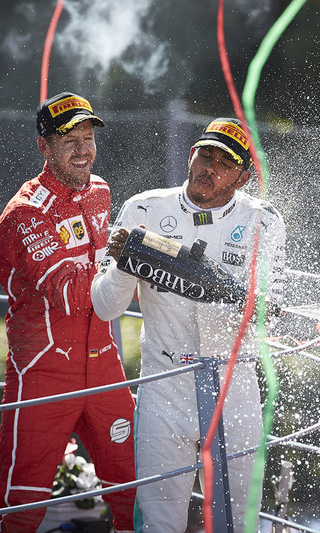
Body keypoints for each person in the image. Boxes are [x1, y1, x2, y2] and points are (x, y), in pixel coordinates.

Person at [91, 117, 286, 531]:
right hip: (163, 384)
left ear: (243, 178)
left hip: (234, 386)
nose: (209, 168)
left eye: (224, 164)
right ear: (191, 154)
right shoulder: (143, 208)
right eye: (205, 155)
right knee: (159, 524)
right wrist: (127, 261)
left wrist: (260, 302)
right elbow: (106, 308)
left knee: (239, 524)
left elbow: (268, 306)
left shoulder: (263, 221)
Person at [0, 92, 136, 532]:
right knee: (22, 506)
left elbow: (106, 278)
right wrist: (132, 259)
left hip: (105, 363)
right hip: (43, 372)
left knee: (137, 491)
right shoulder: (25, 213)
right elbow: (71, 293)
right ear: (44, 146)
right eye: (69, 139)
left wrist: (140, 258)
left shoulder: (101, 192)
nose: (83, 149)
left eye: (88, 137)